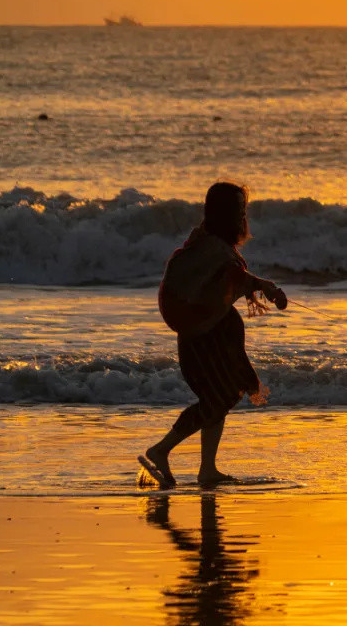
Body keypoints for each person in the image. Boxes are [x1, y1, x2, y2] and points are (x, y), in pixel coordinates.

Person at [139, 182, 287, 488]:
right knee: (217, 400)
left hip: (206, 333)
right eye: (239, 210)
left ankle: (207, 469)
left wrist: (263, 287)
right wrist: (268, 287)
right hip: (203, 339)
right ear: (224, 213)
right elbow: (235, 278)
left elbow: (226, 281)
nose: (243, 216)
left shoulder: (207, 242)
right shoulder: (212, 247)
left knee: (218, 397)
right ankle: (161, 449)